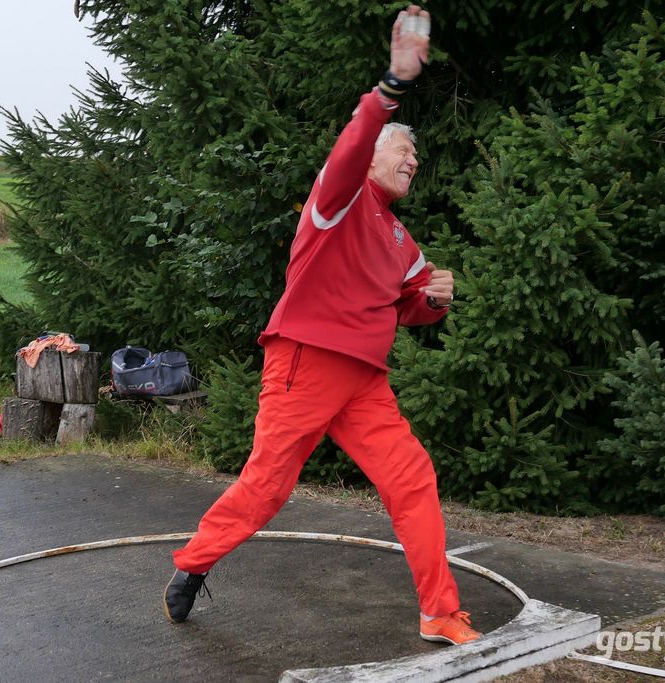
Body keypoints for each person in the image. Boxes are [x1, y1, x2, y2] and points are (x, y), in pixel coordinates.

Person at [163, 5, 480, 646]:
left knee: (412, 478)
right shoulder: (337, 199)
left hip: (364, 381)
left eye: (416, 156)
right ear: (373, 156)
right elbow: (353, 143)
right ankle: (194, 564)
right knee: (266, 487)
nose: (413, 161)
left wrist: (437, 298)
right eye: (404, 150)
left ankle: (440, 612)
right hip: (305, 362)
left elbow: (413, 308)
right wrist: (392, 85)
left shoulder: (402, 239)